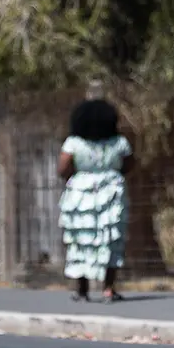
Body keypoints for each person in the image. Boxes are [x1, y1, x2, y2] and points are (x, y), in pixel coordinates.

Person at [59, 98, 133, 302]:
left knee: (81, 239)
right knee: (110, 239)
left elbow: (63, 168)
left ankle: (82, 289)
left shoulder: (74, 142)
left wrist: (78, 175)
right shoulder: (119, 142)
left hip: (80, 195)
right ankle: (108, 288)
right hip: (111, 193)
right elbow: (129, 164)